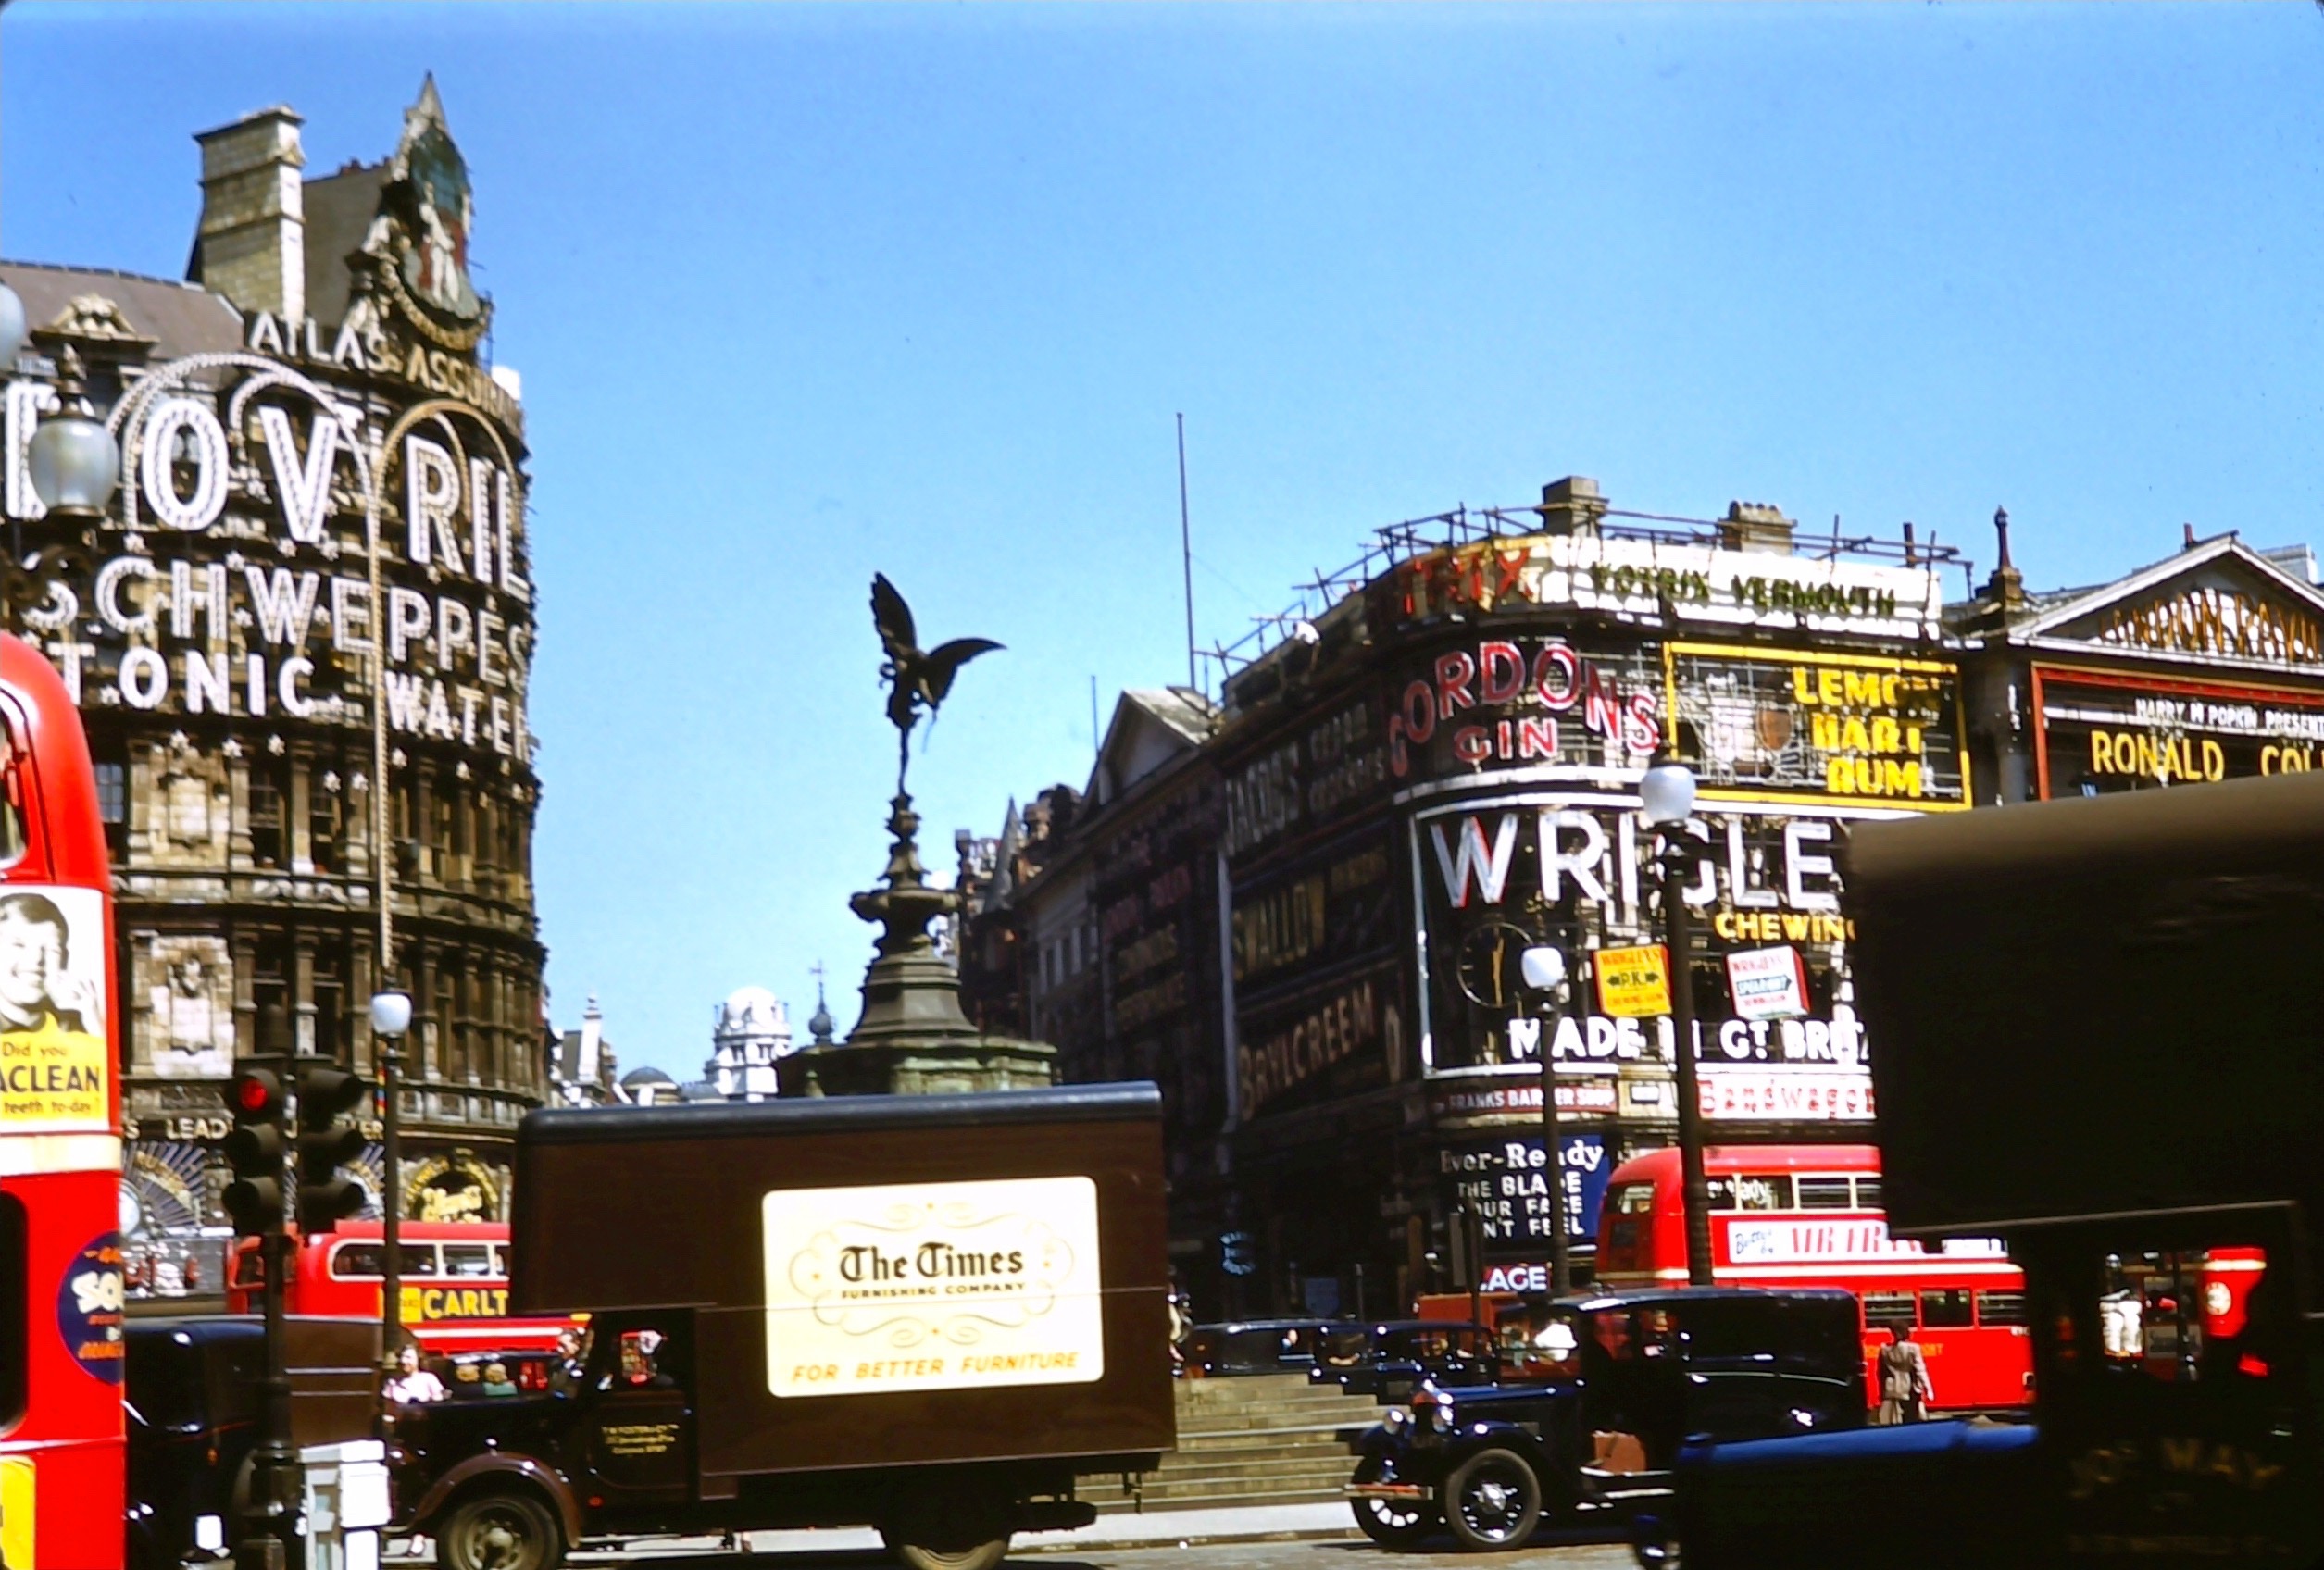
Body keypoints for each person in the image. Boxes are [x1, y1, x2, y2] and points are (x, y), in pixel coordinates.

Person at [1875, 1326, 1933, 1424]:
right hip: (1909, 1388)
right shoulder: (1913, 1348)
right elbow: (1920, 1370)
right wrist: (1928, 1388)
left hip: (1891, 1388)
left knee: (1894, 1419)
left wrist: (1882, 1392)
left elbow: (1880, 1373)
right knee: (1911, 1418)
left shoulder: (1884, 1350)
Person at [382, 1343, 447, 1406]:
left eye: (408, 1357)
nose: (404, 1361)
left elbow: (438, 1404)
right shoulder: (392, 1382)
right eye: (402, 1357)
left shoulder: (429, 1379)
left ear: (418, 1359)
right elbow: (388, 1408)